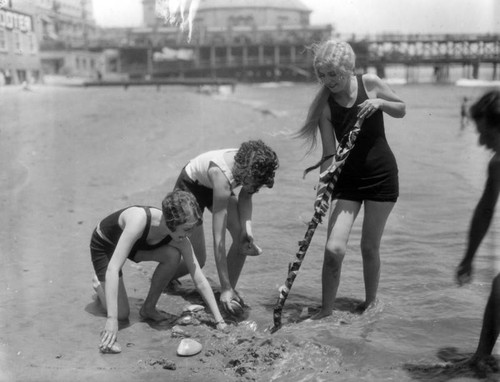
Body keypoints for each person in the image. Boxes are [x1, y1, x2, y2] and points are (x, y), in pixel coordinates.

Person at [296, 40, 406, 318]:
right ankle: (327, 311)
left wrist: (379, 102)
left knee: (369, 247)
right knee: (333, 249)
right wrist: (322, 193)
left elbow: (402, 108)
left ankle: (370, 307)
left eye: (333, 73)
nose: (328, 80)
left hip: (382, 177)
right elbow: (329, 154)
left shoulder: (369, 83)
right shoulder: (325, 106)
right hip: (346, 183)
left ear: (348, 68)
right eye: (322, 74)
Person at [90, 190, 227, 353]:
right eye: (187, 229)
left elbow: (199, 279)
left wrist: (220, 321)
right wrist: (111, 320)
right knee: (121, 315)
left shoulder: (180, 237)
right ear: (172, 222)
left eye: (192, 229)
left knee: (173, 255)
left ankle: (148, 308)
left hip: (136, 245)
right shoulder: (139, 220)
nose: (189, 234)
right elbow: (113, 268)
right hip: (106, 244)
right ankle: (99, 284)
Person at [173, 140, 279, 313]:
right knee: (199, 258)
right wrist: (225, 285)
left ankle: (225, 294)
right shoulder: (222, 175)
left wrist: (247, 232)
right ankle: (165, 278)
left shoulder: (254, 167)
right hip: (191, 187)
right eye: (254, 184)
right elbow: (219, 239)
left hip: (217, 185)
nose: (255, 188)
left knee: (241, 241)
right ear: (245, 172)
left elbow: (246, 197)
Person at [456, 90, 500, 375]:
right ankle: (481, 357)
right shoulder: (498, 164)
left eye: (486, 133)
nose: (481, 142)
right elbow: (485, 210)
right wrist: (468, 257)